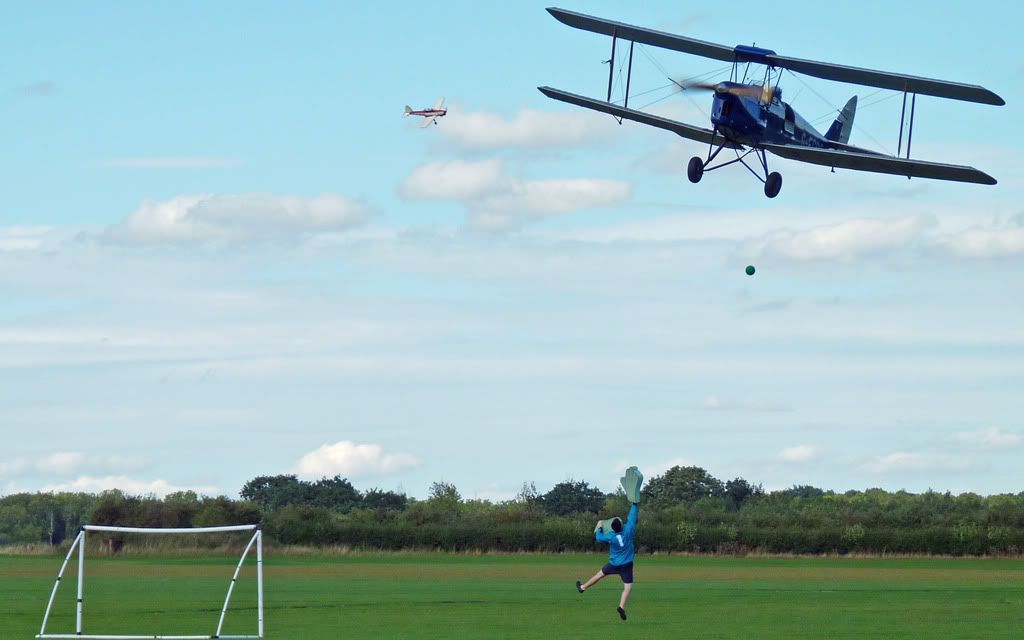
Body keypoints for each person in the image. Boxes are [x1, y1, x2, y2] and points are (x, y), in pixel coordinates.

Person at [575, 501, 638, 620]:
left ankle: (583, 587)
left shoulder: (611, 536)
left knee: (599, 574)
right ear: (621, 525)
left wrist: (599, 528)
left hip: (614, 564)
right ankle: (621, 607)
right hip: (627, 565)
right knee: (627, 587)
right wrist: (634, 504)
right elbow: (632, 517)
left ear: (613, 529)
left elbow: (598, 538)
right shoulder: (628, 530)